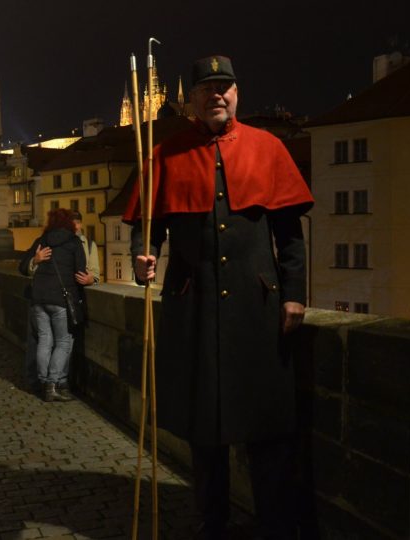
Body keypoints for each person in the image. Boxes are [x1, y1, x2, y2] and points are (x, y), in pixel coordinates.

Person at [123, 56, 314, 539]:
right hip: (195, 309)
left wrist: (294, 295)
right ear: (191, 98)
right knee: (205, 432)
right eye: (207, 88)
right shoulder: (166, 153)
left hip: (258, 309)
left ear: (237, 93)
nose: (217, 95)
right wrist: (143, 256)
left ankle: (273, 523)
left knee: (267, 427)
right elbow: (149, 229)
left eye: (224, 87)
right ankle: (213, 523)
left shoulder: (267, 148)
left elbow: (289, 235)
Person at [20, 211, 99, 399]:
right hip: (61, 300)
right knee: (64, 342)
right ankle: (51, 383)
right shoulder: (74, 243)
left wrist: (35, 260)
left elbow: (22, 267)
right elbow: (80, 274)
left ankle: (43, 380)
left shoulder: (42, 240)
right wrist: (90, 279)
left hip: (39, 299)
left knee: (45, 341)